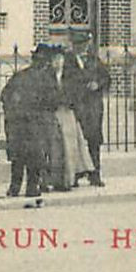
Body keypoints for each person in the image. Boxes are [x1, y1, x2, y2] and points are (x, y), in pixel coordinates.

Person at [39, 42, 94, 190]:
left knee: (70, 147)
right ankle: (50, 180)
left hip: (67, 112)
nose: (57, 62)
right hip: (53, 112)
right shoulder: (46, 76)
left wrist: (69, 101)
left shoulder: (70, 75)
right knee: (53, 148)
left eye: (60, 59)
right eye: (54, 59)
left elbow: (77, 92)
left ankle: (68, 180)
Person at [0, 46, 51, 197]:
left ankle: (14, 188)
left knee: (18, 158)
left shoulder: (19, 76)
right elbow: (51, 101)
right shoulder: (44, 80)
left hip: (18, 123)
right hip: (33, 124)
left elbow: (4, 96)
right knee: (34, 157)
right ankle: (31, 188)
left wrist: (11, 113)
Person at [64, 29, 110, 187]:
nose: (81, 48)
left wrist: (98, 84)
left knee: (94, 140)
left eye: (83, 44)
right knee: (75, 140)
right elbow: (65, 81)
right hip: (77, 105)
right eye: (78, 45)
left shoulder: (94, 60)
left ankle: (95, 174)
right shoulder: (68, 61)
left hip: (93, 107)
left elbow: (106, 78)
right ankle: (76, 174)